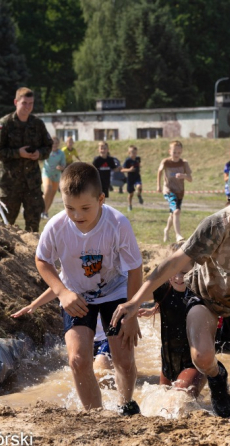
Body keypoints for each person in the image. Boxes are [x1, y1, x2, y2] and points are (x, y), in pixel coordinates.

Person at [111, 158, 230, 421]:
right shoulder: (216, 225)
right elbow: (173, 263)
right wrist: (136, 301)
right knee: (202, 356)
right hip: (203, 296)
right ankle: (217, 377)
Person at [35, 162, 143, 414]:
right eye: (69, 207)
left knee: (124, 360)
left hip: (115, 293)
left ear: (101, 199)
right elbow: (42, 260)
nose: (77, 215)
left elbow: (135, 268)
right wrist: (62, 292)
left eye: (85, 208)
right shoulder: (56, 226)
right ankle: (95, 414)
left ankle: (126, 404)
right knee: (78, 359)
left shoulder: (118, 224)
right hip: (76, 295)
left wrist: (132, 311)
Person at [137, 243, 206, 396]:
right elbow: (135, 296)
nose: (178, 277)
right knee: (162, 398)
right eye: (173, 271)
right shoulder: (163, 289)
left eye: (184, 272)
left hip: (194, 362)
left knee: (178, 398)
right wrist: (153, 310)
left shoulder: (201, 293)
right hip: (168, 361)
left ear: (195, 270)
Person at [0, 87, 53, 232]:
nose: (28, 107)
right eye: (24, 103)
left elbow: (48, 147)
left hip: (32, 184)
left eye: (31, 103)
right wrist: (18, 153)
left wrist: (39, 153)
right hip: (10, 183)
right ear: (16, 102)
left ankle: (32, 254)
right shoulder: (4, 124)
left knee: (33, 226)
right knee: (6, 224)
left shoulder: (37, 124)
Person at [12, 290, 113, 373]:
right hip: (83, 336)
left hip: (106, 337)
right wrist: (33, 305)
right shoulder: (74, 274)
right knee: (81, 368)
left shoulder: (115, 275)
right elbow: (57, 288)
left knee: (101, 369)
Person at [157, 140, 192, 243]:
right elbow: (159, 171)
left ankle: (167, 230)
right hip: (168, 190)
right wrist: (158, 186)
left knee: (173, 214)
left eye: (179, 153)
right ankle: (178, 235)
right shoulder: (166, 162)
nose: (176, 155)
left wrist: (184, 176)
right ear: (169, 151)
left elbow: (190, 179)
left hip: (180, 191)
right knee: (176, 211)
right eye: (174, 152)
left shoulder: (184, 163)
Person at [41, 137, 66, 220]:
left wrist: (61, 167)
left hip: (56, 176)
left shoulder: (61, 153)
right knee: (48, 189)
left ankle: (45, 212)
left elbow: (63, 165)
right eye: (52, 143)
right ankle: (41, 209)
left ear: (58, 144)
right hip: (46, 174)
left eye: (56, 143)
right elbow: (41, 158)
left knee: (52, 195)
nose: (54, 144)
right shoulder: (47, 151)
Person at [122, 145, 143, 212]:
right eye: (132, 152)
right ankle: (129, 205)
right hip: (130, 178)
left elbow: (138, 165)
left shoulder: (138, 159)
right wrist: (129, 170)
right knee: (131, 193)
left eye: (135, 152)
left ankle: (139, 195)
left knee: (139, 186)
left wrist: (139, 167)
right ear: (129, 153)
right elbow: (122, 170)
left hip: (137, 177)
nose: (134, 154)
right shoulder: (127, 160)